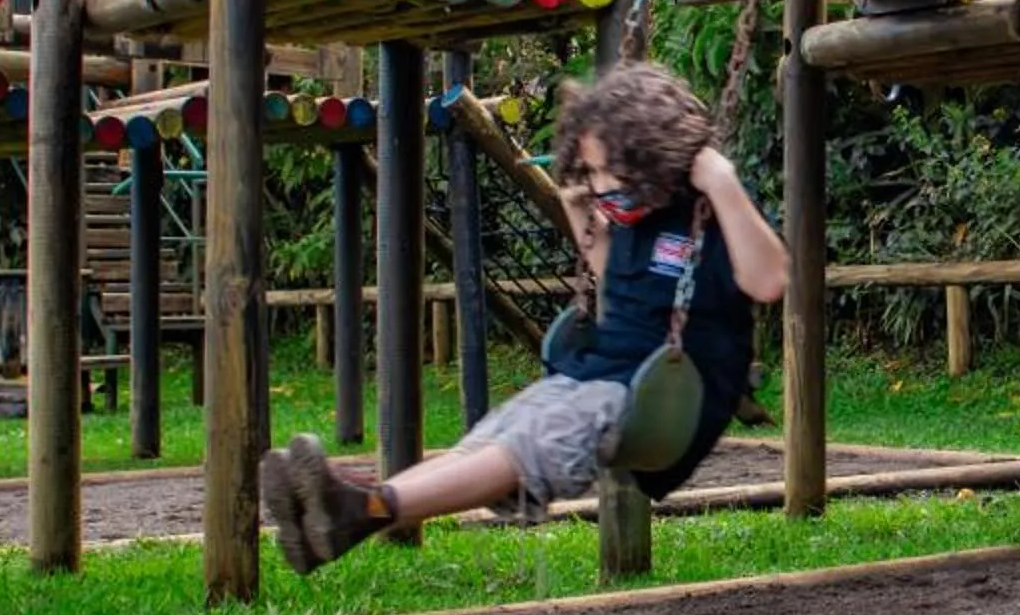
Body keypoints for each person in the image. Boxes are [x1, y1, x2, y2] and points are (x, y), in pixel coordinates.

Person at [262, 61, 788, 573]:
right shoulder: (628, 219)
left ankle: (364, 509)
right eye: (594, 171)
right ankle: (348, 510)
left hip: (660, 397)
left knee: (529, 442)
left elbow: (769, 280)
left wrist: (723, 183)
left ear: (661, 158)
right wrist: (580, 209)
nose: (603, 186)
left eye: (614, 172)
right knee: (497, 433)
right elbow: (619, 287)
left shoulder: (708, 218)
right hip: (596, 377)